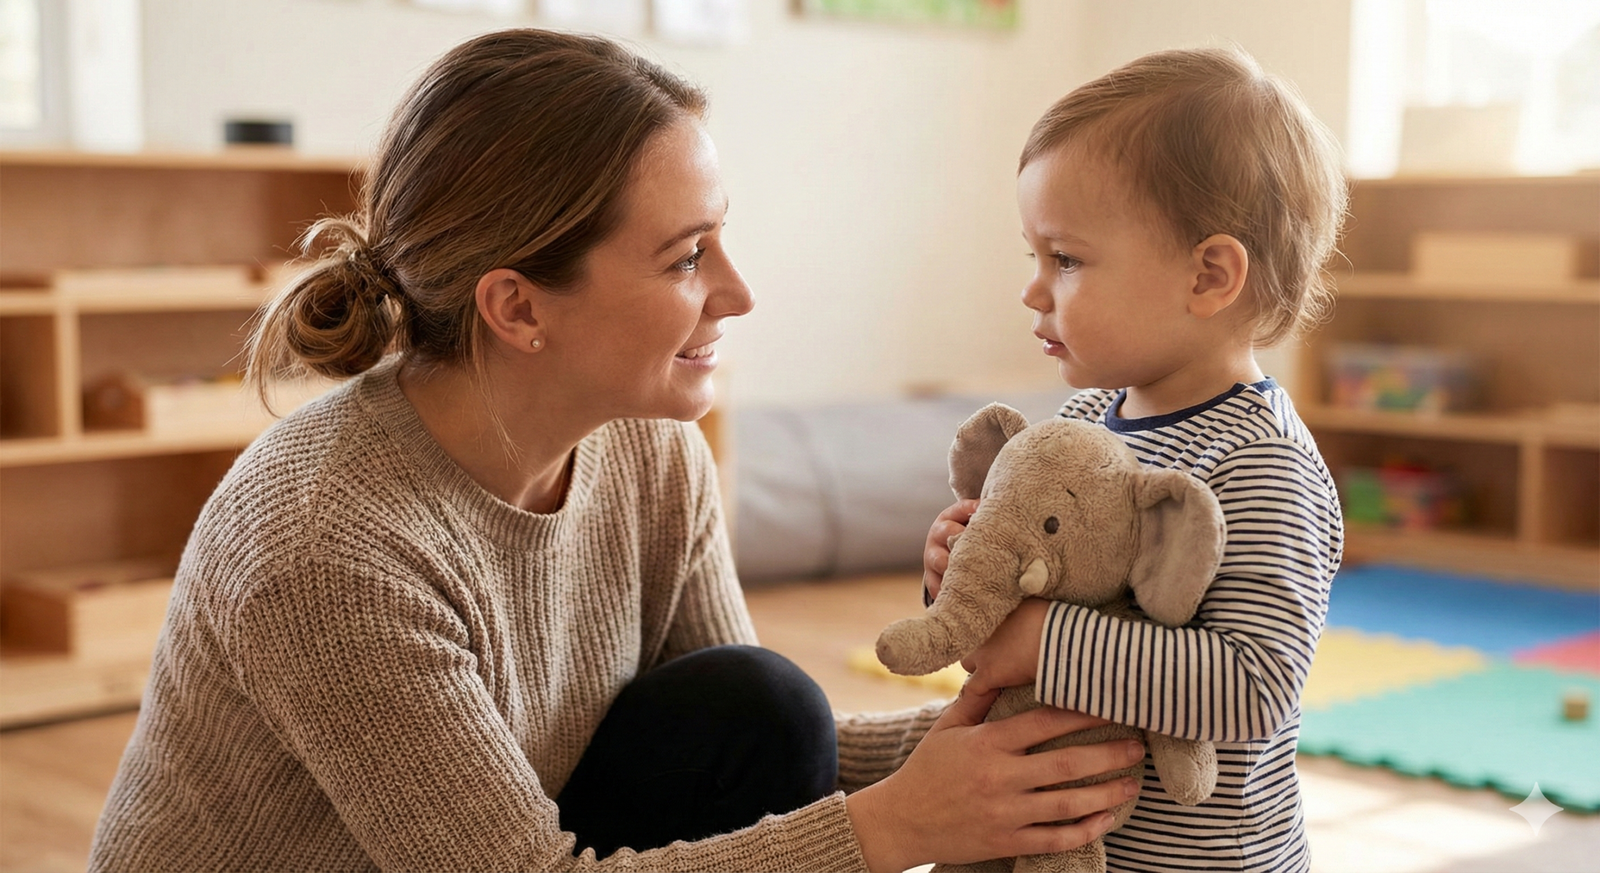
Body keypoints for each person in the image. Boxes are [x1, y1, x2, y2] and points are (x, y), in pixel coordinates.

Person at [86, 28, 1147, 873]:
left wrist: (992, 737)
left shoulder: (649, 450)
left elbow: (775, 755)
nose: (737, 292)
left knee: (759, 704)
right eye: (686, 257)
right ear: (517, 307)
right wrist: (898, 826)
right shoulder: (328, 546)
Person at [921, 46, 1347, 872]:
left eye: (1067, 259)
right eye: (1033, 256)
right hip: (1053, 841)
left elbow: (1253, 686)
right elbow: (1023, 603)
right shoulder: (1083, 425)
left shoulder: (1262, 462)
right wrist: (957, 576)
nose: (1033, 290)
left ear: (1209, 275)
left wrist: (1046, 641)